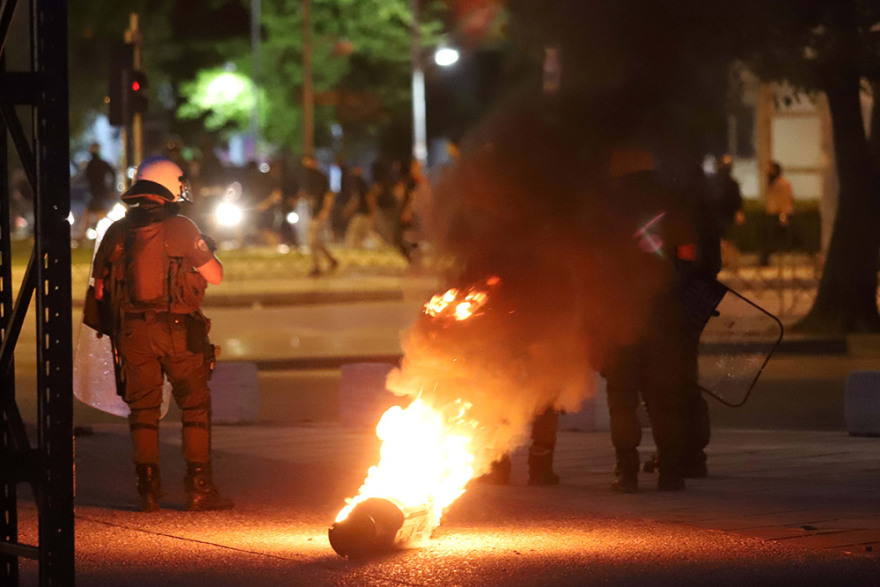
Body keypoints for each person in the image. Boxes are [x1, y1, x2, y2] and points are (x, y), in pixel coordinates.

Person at [90, 156, 233, 513]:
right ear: (169, 184)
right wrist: (207, 250)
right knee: (195, 405)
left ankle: (147, 489)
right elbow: (215, 276)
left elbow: (99, 292)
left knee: (143, 410)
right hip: (178, 331)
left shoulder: (115, 232)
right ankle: (199, 488)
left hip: (133, 333)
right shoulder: (182, 226)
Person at [597, 148, 698, 493]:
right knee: (664, 397)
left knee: (622, 396)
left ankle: (626, 473)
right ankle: (671, 472)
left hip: (620, 314)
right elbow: (689, 255)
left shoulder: (606, 204)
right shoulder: (672, 199)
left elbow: (592, 263)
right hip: (663, 314)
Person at [300, 155, 339, 277]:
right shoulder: (309, 179)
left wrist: (325, 211)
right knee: (316, 241)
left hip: (319, 213)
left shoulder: (321, 177)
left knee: (311, 240)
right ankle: (331, 260)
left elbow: (329, 195)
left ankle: (316, 266)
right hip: (313, 213)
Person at [711, 154, 744, 269]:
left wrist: (738, 212)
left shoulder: (732, 183)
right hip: (715, 214)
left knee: (726, 238)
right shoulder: (713, 182)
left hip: (727, 215)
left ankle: (728, 261)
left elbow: (737, 199)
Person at [758, 161, 794, 266]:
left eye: (771, 169)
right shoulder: (771, 183)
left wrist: (783, 215)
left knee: (774, 237)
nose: (769, 172)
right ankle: (765, 258)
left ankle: (767, 259)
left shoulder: (783, 184)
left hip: (780, 215)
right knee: (766, 236)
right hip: (771, 214)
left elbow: (786, 200)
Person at [79, 143, 116, 239]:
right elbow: (113, 173)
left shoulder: (93, 164)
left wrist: (112, 188)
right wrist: (111, 188)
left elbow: (112, 174)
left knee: (98, 212)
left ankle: (106, 233)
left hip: (97, 192)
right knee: (97, 212)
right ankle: (106, 233)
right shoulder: (97, 163)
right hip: (98, 192)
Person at [342, 166, 375, 248]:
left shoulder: (358, 183)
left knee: (353, 235)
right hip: (363, 213)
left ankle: (380, 245)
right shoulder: (362, 183)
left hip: (361, 213)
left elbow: (357, 199)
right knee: (363, 234)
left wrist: (348, 209)